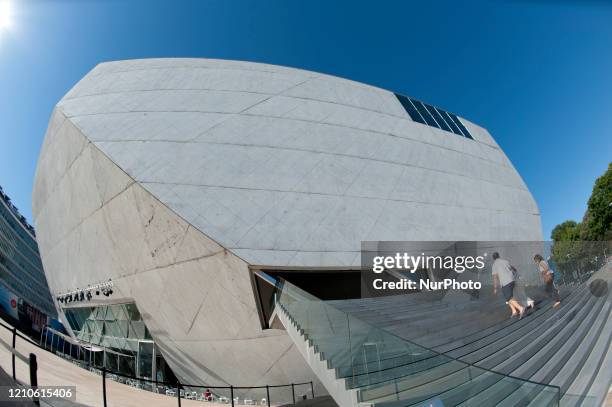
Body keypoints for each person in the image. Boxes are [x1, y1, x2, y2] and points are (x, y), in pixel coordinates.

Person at [492, 252, 525, 318]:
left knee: (509, 297)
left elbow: (495, 277)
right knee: (508, 297)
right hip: (512, 280)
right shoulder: (505, 261)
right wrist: (518, 276)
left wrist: (495, 287)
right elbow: (514, 268)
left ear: (493, 258)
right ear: (499, 256)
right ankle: (514, 311)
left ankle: (520, 308)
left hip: (506, 282)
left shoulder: (494, 264)